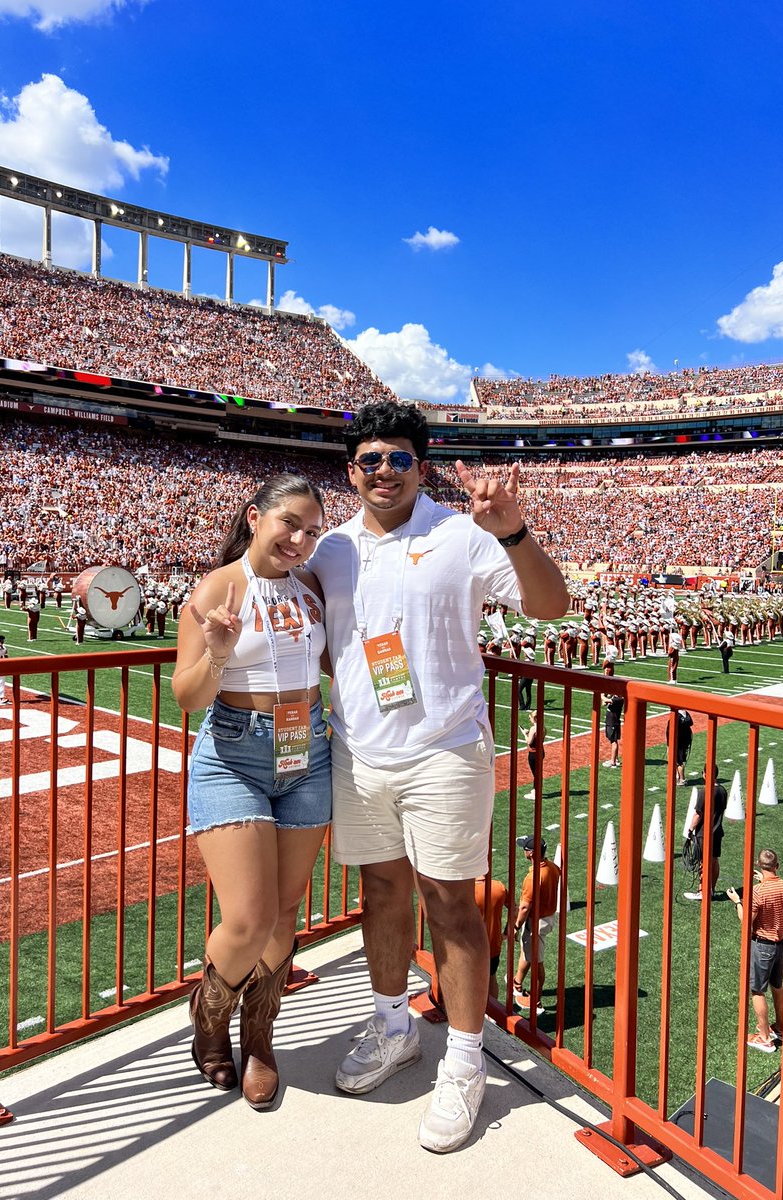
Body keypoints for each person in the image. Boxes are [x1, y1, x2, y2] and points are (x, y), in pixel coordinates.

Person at [309, 400, 568, 1154]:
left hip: (446, 749)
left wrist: (513, 530)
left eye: (398, 458)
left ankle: (463, 1060)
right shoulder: (330, 547)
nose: (383, 470)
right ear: (350, 470)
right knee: (382, 892)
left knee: (452, 905)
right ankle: (394, 1028)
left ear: (422, 467)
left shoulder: (461, 533)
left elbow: (551, 606)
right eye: (369, 459)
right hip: (360, 749)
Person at [172, 474, 330, 1111]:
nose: (299, 540)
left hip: (308, 749)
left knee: (286, 911)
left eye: (312, 531)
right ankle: (210, 1015)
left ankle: (259, 1033)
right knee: (246, 918)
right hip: (233, 753)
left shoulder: (312, 588)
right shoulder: (218, 587)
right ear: (255, 516)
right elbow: (188, 698)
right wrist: (216, 653)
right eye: (289, 523)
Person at [727, 849, 783, 1052]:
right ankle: (780, 1027)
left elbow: (746, 921)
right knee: (777, 986)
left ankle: (764, 1037)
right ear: (777, 866)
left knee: (757, 991)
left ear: (758, 864)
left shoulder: (758, 892)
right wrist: (764, 879)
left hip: (763, 946)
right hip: (780, 945)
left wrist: (737, 902)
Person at [511, 835, 561, 1015]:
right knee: (527, 951)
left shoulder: (532, 878)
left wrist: (515, 927)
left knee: (538, 963)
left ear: (531, 853)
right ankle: (517, 983)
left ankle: (536, 1002)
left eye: (525, 849)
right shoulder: (553, 868)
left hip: (537, 923)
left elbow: (524, 907)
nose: (523, 851)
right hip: (547, 917)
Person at [685, 763, 727, 900]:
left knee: (703, 862)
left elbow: (698, 814)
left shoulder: (704, 792)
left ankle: (702, 890)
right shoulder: (722, 791)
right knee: (714, 860)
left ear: (705, 774)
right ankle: (712, 890)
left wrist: (690, 829)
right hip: (718, 831)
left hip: (704, 833)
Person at [474, 876, 508, 1001]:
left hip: (471, 947)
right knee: (491, 977)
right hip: (493, 945)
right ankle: (493, 1012)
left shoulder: (467, 891)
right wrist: (507, 932)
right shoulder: (499, 887)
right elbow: (515, 909)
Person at [672, 708, 693, 785]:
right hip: (685, 741)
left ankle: (681, 779)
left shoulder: (677, 716)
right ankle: (679, 777)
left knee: (679, 761)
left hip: (679, 742)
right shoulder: (686, 713)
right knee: (681, 760)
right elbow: (691, 723)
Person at [602, 693, 623, 768]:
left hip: (613, 722)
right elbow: (604, 703)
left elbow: (606, 700)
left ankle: (613, 762)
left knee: (613, 741)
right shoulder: (614, 697)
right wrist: (606, 695)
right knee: (613, 741)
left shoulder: (619, 699)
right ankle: (615, 759)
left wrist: (602, 695)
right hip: (611, 722)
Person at [524, 710, 541, 800]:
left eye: (530, 717)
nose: (529, 719)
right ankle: (536, 791)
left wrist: (525, 734)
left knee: (536, 774)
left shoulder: (533, 728)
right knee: (537, 773)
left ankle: (535, 792)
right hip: (540, 752)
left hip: (533, 754)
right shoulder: (542, 727)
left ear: (534, 718)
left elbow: (529, 742)